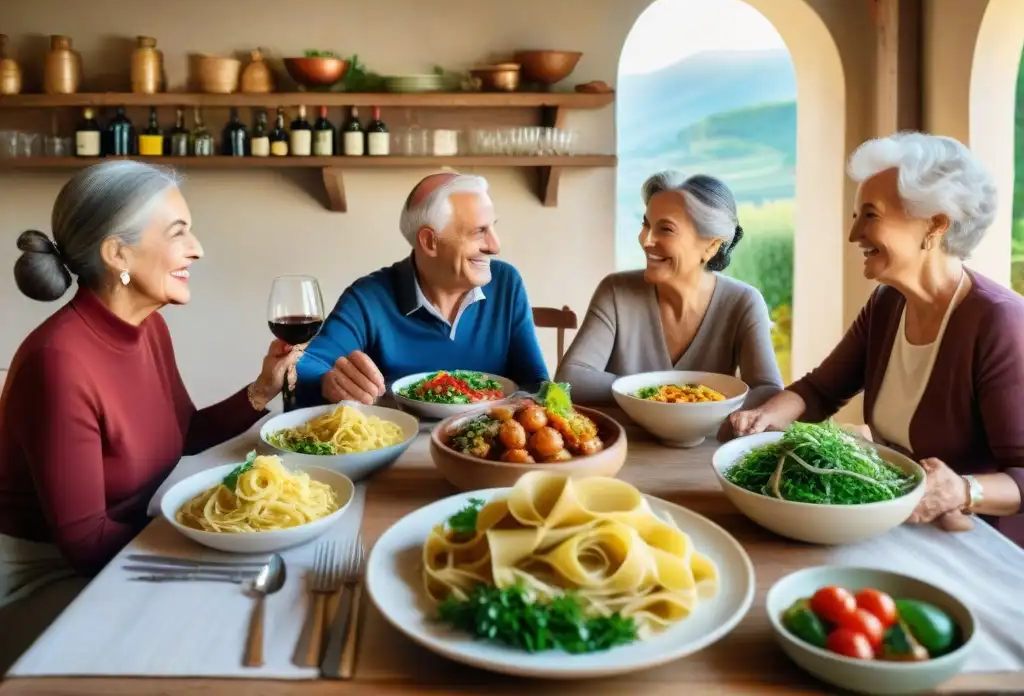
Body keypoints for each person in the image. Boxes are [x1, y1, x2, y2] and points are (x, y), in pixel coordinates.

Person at [0, 161, 301, 670]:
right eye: (179, 233)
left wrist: (259, 390)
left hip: (120, 548)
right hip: (41, 575)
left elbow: (181, 433)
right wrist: (214, 533)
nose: (198, 249)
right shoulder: (58, 362)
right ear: (118, 252)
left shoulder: (148, 328)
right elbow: (84, 543)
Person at [727, 132, 1024, 546]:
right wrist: (766, 416)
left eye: (870, 215)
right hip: (894, 525)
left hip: (976, 544)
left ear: (936, 223)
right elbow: (820, 389)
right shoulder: (888, 302)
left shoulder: (999, 321)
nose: (854, 235)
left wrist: (961, 490)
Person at [296, 172, 549, 406]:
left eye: (493, 227)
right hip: (399, 448)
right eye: (479, 232)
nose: (495, 246)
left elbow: (536, 383)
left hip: (485, 446)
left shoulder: (506, 283)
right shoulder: (369, 297)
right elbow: (306, 366)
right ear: (430, 241)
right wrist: (329, 382)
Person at [555, 172, 784, 411]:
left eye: (665, 229)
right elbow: (571, 378)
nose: (646, 240)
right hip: (626, 445)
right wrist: (665, 396)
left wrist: (664, 396)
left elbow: (768, 392)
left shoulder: (743, 302)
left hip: (708, 447)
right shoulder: (616, 291)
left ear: (711, 246)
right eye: (646, 224)